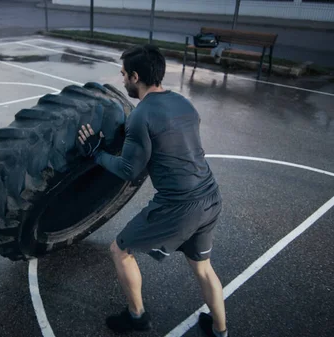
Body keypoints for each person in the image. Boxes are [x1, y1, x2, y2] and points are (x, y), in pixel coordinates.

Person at [77, 45, 228, 337]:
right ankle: (220, 331)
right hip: (211, 196)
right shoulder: (185, 103)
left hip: (180, 207)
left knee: (120, 250)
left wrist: (96, 152)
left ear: (136, 77)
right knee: (203, 268)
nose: (122, 80)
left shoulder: (141, 115)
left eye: (123, 75)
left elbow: (128, 171)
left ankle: (137, 317)